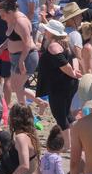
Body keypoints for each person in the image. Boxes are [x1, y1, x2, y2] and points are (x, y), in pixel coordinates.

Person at [35, 20, 81, 148]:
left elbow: (63, 64)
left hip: (60, 85)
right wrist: (74, 71)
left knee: (59, 114)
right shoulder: (65, 43)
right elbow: (75, 58)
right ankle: (77, 139)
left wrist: (72, 72)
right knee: (66, 114)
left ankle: (68, 145)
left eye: (46, 30)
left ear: (51, 32)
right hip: (67, 83)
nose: (44, 31)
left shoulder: (53, 46)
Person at [0, 0, 39, 104]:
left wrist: (21, 61)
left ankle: (30, 107)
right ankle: (29, 107)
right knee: (17, 87)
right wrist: (2, 47)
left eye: (3, 15)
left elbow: (27, 43)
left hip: (27, 56)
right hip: (17, 56)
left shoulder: (21, 22)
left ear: (10, 12)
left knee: (18, 87)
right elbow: (12, 37)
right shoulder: (12, 20)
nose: (2, 18)